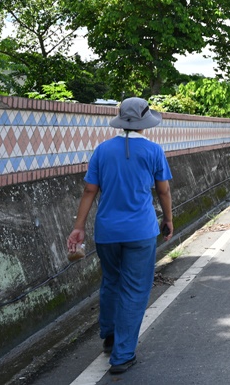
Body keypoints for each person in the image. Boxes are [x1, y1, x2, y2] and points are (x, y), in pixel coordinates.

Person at [66, 97, 173, 375]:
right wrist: (169, 219)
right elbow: (163, 191)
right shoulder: (153, 151)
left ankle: (111, 336)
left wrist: (78, 226)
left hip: (107, 232)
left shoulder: (102, 150)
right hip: (140, 231)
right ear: (144, 121)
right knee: (135, 289)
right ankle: (122, 355)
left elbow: (90, 191)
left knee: (112, 281)